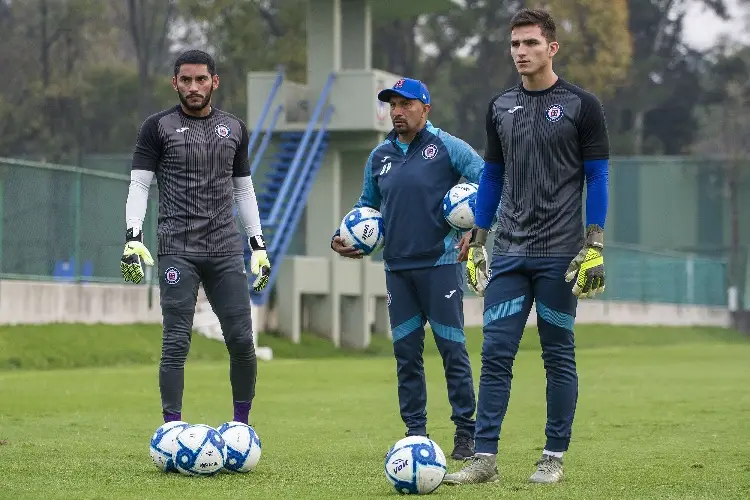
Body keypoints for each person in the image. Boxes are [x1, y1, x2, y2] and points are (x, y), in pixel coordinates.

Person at [443, 8, 609, 485]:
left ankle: (552, 456)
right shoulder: (499, 107)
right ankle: (484, 459)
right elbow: (493, 176)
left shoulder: (582, 105)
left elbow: (597, 175)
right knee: (495, 352)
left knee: (558, 354)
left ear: (551, 48)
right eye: (515, 44)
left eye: (531, 43)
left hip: (560, 254)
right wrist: (477, 236)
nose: (521, 52)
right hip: (511, 252)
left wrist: (594, 240)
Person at [331, 78, 484, 460]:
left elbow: (487, 179)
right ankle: (416, 434)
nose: (397, 111)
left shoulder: (448, 147)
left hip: (440, 266)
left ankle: (466, 435)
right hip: (397, 270)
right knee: (406, 356)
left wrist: (478, 230)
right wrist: (345, 237)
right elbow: (366, 205)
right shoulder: (379, 155)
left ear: (425, 108)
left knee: (452, 351)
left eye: (405, 104)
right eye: (392, 105)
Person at [120, 49, 272, 426]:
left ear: (214, 82)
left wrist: (257, 244)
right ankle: (171, 428)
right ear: (174, 83)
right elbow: (140, 185)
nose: (193, 87)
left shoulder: (235, 128)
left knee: (241, 341)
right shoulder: (156, 127)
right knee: (176, 342)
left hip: (225, 251)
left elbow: (243, 191)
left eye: (200, 79)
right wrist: (132, 237)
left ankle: (241, 426)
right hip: (177, 250)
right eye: (185, 80)